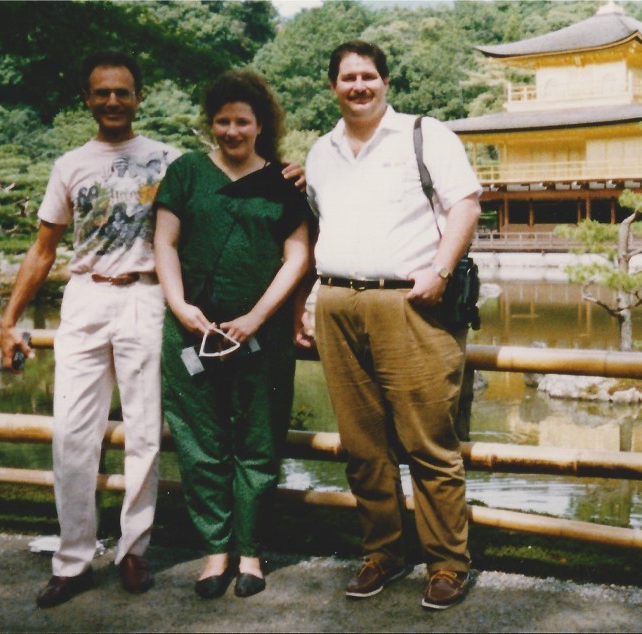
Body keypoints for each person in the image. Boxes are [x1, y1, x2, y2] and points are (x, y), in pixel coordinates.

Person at [303, 40, 483, 610]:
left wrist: (440, 269)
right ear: (332, 86)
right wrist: (310, 301)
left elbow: (466, 206)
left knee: (429, 442)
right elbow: (318, 224)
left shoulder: (424, 136)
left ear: (385, 82)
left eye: (369, 76)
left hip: (410, 303)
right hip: (337, 301)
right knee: (362, 445)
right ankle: (383, 550)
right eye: (347, 78)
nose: (359, 86)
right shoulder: (320, 152)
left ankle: (447, 563)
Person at [0, 50, 180, 609]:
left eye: (122, 92)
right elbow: (43, 249)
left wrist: (286, 170)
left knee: (145, 431)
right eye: (101, 92)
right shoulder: (69, 165)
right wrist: (9, 319)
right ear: (86, 98)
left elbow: (226, 192)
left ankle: (133, 550)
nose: (112, 102)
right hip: (85, 297)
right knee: (73, 432)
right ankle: (73, 558)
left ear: (139, 97)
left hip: (147, 296)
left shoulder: (172, 160)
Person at [152, 70, 311, 600]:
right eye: (222, 120)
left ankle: (250, 552)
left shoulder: (284, 182)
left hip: (259, 333)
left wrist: (258, 316)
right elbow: (166, 243)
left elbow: (297, 256)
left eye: (242, 121)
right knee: (200, 442)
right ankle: (215, 550)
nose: (232, 130)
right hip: (190, 331)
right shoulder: (187, 172)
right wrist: (180, 305)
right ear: (211, 123)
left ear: (260, 124)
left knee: (259, 440)